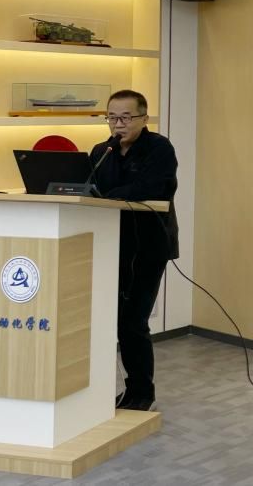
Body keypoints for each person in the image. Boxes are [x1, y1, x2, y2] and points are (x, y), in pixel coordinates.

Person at [89, 89, 179, 412]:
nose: (118, 124)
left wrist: (108, 194)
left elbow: (150, 188)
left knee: (133, 322)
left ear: (144, 118)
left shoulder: (159, 148)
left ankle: (142, 392)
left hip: (149, 248)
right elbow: (89, 189)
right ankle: (110, 390)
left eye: (126, 117)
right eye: (112, 117)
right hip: (111, 245)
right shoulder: (102, 151)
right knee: (108, 320)